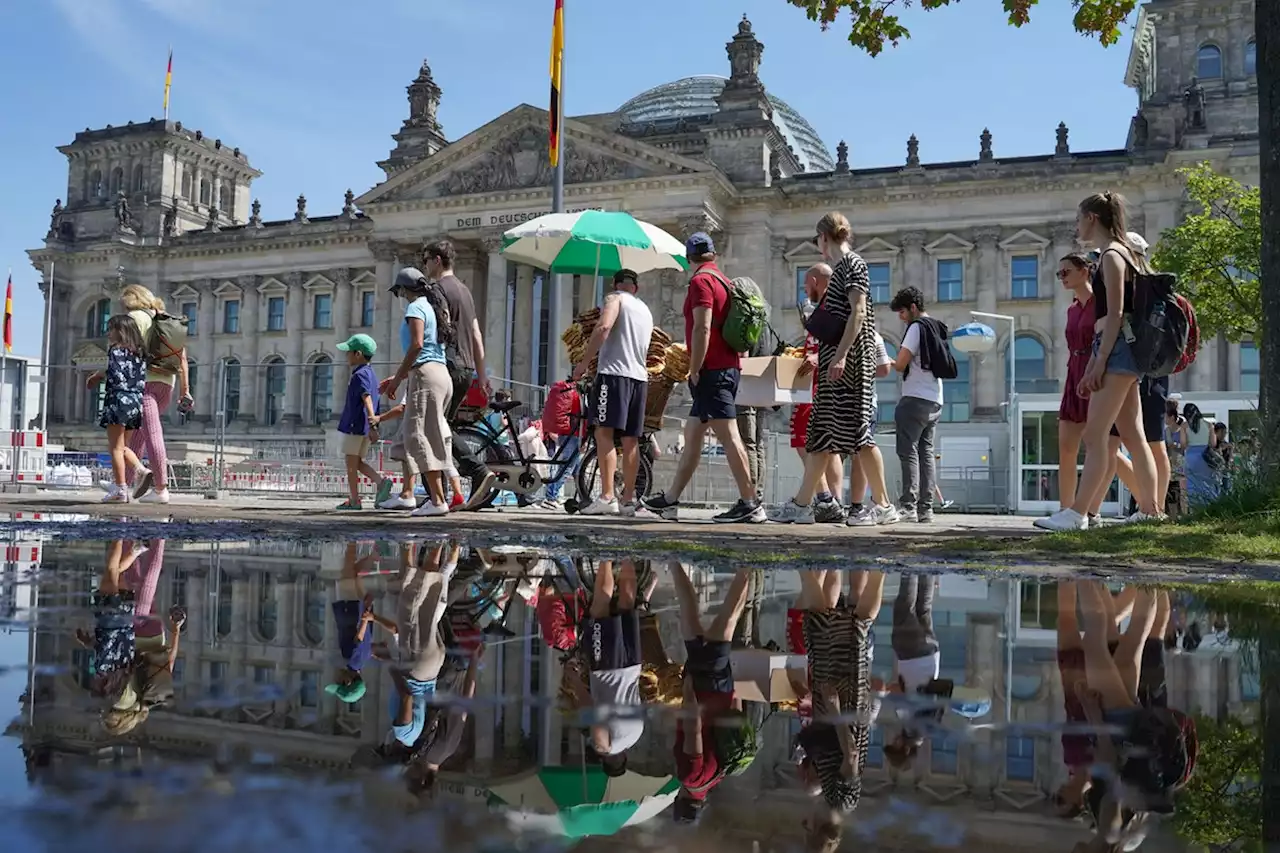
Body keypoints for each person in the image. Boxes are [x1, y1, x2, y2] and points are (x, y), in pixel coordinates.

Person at [1036, 193, 1163, 531]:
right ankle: (1151, 511)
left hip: (1116, 351)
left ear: (1092, 217)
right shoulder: (1124, 253)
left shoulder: (1111, 255)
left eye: (1079, 220)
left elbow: (1116, 313)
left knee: (1094, 436)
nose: (1077, 226)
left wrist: (1098, 361)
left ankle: (1078, 513)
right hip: (1126, 353)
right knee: (1134, 436)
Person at [642, 233, 765, 524]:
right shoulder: (723, 280)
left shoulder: (701, 282)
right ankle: (670, 501)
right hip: (725, 368)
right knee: (693, 436)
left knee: (730, 436)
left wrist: (694, 368)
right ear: (713, 254)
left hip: (713, 371)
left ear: (689, 257)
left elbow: (702, 328)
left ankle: (750, 503)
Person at [773, 213, 880, 526]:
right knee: (820, 435)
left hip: (847, 364)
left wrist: (840, 356)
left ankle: (882, 504)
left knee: (859, 435)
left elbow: (858, 313)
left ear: (824, 237)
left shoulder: (852, 264)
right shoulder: (842, 268)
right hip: (834, 364)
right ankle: (803, 504)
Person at [795, 568, 885, 852]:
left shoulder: (840, 801)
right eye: (807, 826)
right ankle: (880, 570)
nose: (805, 820)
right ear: (816, 829)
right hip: (842, 710)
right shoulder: (842, 801)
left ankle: (808, 568)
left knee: (825, 632)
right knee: (851, 634)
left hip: (837, 712)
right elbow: (851, 754)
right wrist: (834, 710)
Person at [670, 564, 753, 822]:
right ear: (679, 800)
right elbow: (694, 729)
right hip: (703, 689)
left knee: (699, 623)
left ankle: (746, 569)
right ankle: (747, 566)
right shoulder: (691, 776)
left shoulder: (717, 776)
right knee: (721, 622)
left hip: (723, 692)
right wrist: (687, 692)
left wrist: (734, 696)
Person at [421, 240, 500, 510]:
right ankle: (440, 495)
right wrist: (481, 374)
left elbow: (438, 330)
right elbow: (477, 336)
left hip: (446, 364)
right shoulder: (465, 291)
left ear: (437, 260)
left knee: (430, 427)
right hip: (465, 369)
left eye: (426, 259)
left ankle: (472, 474)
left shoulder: (436, 290)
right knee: (443, 428)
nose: (424, 265)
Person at [573, 268, 654, 516]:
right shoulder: (645, 310)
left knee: (603, 432)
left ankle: (608, 496)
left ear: (615, 284)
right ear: (636, 287)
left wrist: (583, 364)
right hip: (639, 378)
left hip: (613, 374)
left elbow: (603, 327)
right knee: (631, 440)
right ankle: (628, 499)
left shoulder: (614, 299)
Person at [380, 268, 454, 518]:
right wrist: (398, 376)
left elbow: (417, 345)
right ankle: (409, 494)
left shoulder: (415, 308)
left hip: (425, 375)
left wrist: (397, 380)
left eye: (399, 292)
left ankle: (437, 499)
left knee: (420, 436)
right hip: (437, 373)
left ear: (403, 290)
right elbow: (428, 350)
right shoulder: (432, 307)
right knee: (412, 436)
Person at [374, 542, 458, 756]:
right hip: (417, 668)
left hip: (432, 669)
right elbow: (406, 696)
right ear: (391, 749)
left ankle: (443, 543)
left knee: (425, 603)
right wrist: (390, 665)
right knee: (414, 603)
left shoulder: (418, 737)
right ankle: (429, 540)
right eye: (383, 748)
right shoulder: (403, 734)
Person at [120, 284, 192, 505]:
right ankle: (123, 484)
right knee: (141, 435)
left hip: (146, 383)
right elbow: (182, 359)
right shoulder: (165, 320)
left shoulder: (136, 318)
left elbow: (125, 352)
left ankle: (161, 488)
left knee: (152, 434)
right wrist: (185, 391)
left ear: (132, 300)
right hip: (166, 385)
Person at [791, 264, 847, 523]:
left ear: (814, 280)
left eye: (806, 284)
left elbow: (842, 342)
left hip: (818, 387)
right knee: (829, 447)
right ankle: (834, 502)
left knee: (804, 441)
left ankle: (824, 499)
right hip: (816, 384)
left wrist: (815, 356)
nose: (804, 289)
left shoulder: (831, 306)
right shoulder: (824, 307)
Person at [887, 287, 948, 523]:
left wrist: (887, 361)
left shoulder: (916, 328)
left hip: (914, 397)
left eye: (902, 311)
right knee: (926, 453)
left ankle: (908, 507)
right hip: (935, 398)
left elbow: (902, 364)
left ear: (913, 307)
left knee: (908, 452)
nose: (900, 317)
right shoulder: (937, 326)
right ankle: (926, 509)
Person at [581, 559, 646, 776]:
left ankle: (627, 555)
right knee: (600, 606)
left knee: (627, 604)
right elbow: (595, 715)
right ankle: (604, 557)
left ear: (625, 759)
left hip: (633, 665)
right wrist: (574, 684)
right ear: (606, 760)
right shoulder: (604, 747)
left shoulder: (636, 736)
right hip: (606, 668)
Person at [326, 543, 396, 704]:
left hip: (357, 611)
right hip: (350, 612)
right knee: (347, 570)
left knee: (354, 573)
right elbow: (358, 639)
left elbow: (366, 646)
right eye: (337, 682)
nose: (335, 678)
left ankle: (372, 556)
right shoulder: (352, 660)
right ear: (347, 681)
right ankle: (353, 537)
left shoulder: (361, 662)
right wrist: (365, 618)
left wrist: (379, 647)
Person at [90, 315, 149, 504]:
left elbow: (113, 373)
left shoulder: (115, 351)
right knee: (123, 446)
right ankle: (141, 470)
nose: (108, 333)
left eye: (111, 329)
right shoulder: (139, 353)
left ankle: (120, 489)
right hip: (135, 402)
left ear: (120, 331)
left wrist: (98, 377)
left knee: (115, 447)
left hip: (118, 400)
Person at [333, 334, 389, 510]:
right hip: (363, 426)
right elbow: (375, 397)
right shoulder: (371, 374)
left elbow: (367, 399)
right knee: (356, 462)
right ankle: (380, 482)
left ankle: (356, 499)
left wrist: (373, 423)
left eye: (349, 352)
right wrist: (373, 425)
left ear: (358, 354)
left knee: (350, 464)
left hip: (354, 425)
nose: (346, 355)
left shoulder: (360, 375)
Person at [539, 374, 585, 510]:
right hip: (574, 434)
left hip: (565, 433)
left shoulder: (566, 392)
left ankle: (584, 497)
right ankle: (550, 497)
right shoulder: (576, 395)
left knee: (576, 469)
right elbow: (582, 416)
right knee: (567, 468)